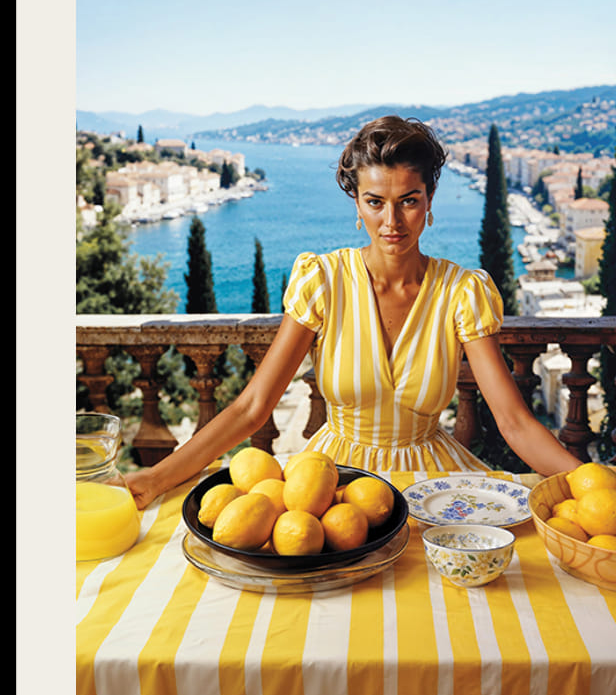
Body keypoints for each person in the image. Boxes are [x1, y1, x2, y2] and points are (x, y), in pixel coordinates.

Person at [125, 116, 582, 510]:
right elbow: (251, 407)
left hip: (432, 482)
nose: (392, 222)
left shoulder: (461, 292)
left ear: (429, 198)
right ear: (357, 203)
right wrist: (153, 479)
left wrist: (592, 483)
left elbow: (515, 422)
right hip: (330, 483)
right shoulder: (322, 281)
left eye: (409, 200)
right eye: (375, 202)